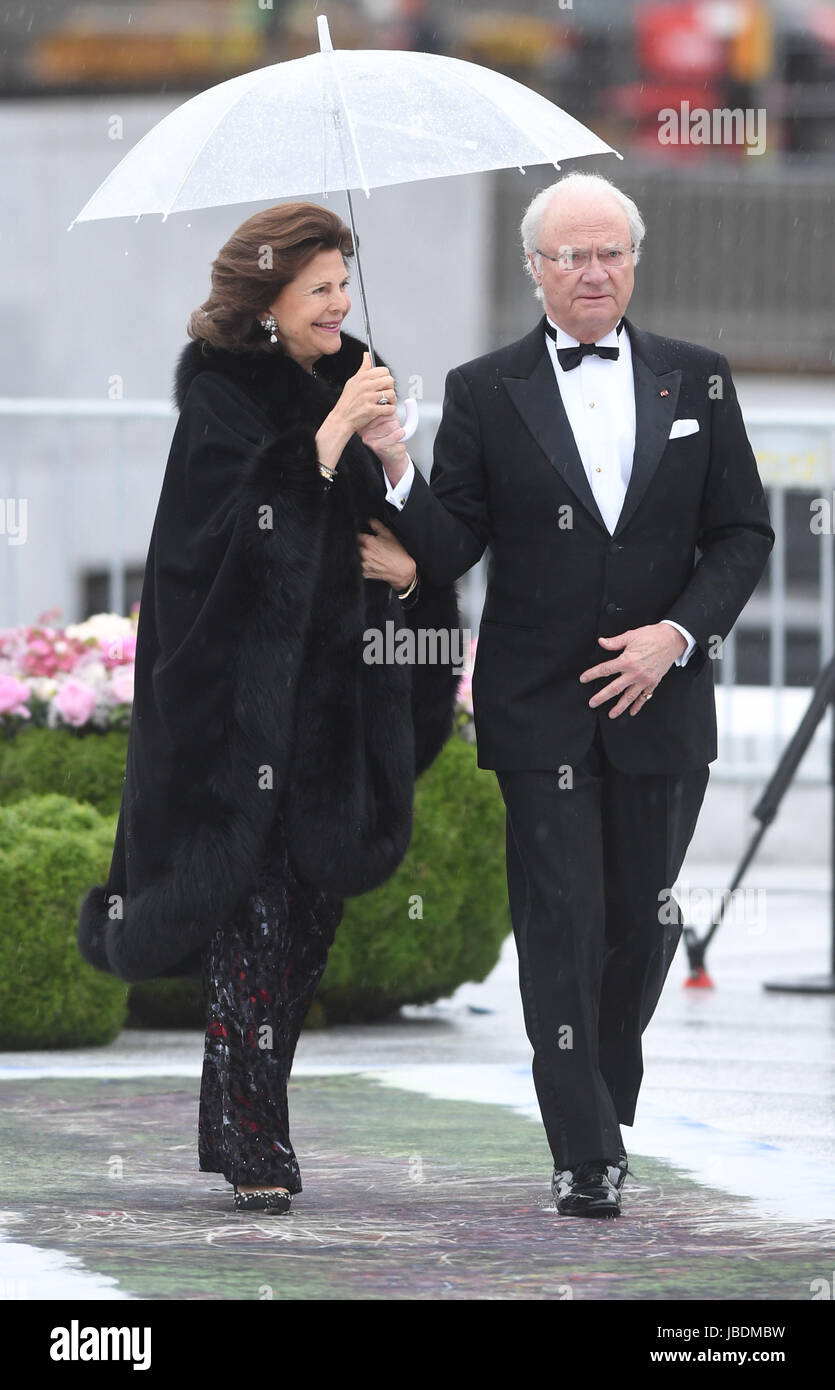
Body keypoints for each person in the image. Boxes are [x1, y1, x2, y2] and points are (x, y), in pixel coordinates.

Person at [374, 171, 774, 1218]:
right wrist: (393, 465)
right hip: (538, 700)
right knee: (558, 919)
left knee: (638, 919)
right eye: (570, 256)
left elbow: (743, 533)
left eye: (610, 253)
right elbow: (452, 544)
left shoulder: (702, 380)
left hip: (665, 700)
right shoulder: (482, 388)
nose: (593, 271)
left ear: (633, 262)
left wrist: (676, 635)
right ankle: (584, 1148)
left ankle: (599, 1084)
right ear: (534, 270)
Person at [78, 202, 460, 1214]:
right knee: (248, 931)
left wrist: (396, 492)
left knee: (301, 939)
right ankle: (255, 1146)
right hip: (240, 721)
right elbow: (234, 548)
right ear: (269, 299)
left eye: (344, 284)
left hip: (336, 719)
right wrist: (328, 439)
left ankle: (244, 1122)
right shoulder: (221, 397)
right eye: (319, 287)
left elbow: (426, 543)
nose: (339, 303)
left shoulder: (360, 380)